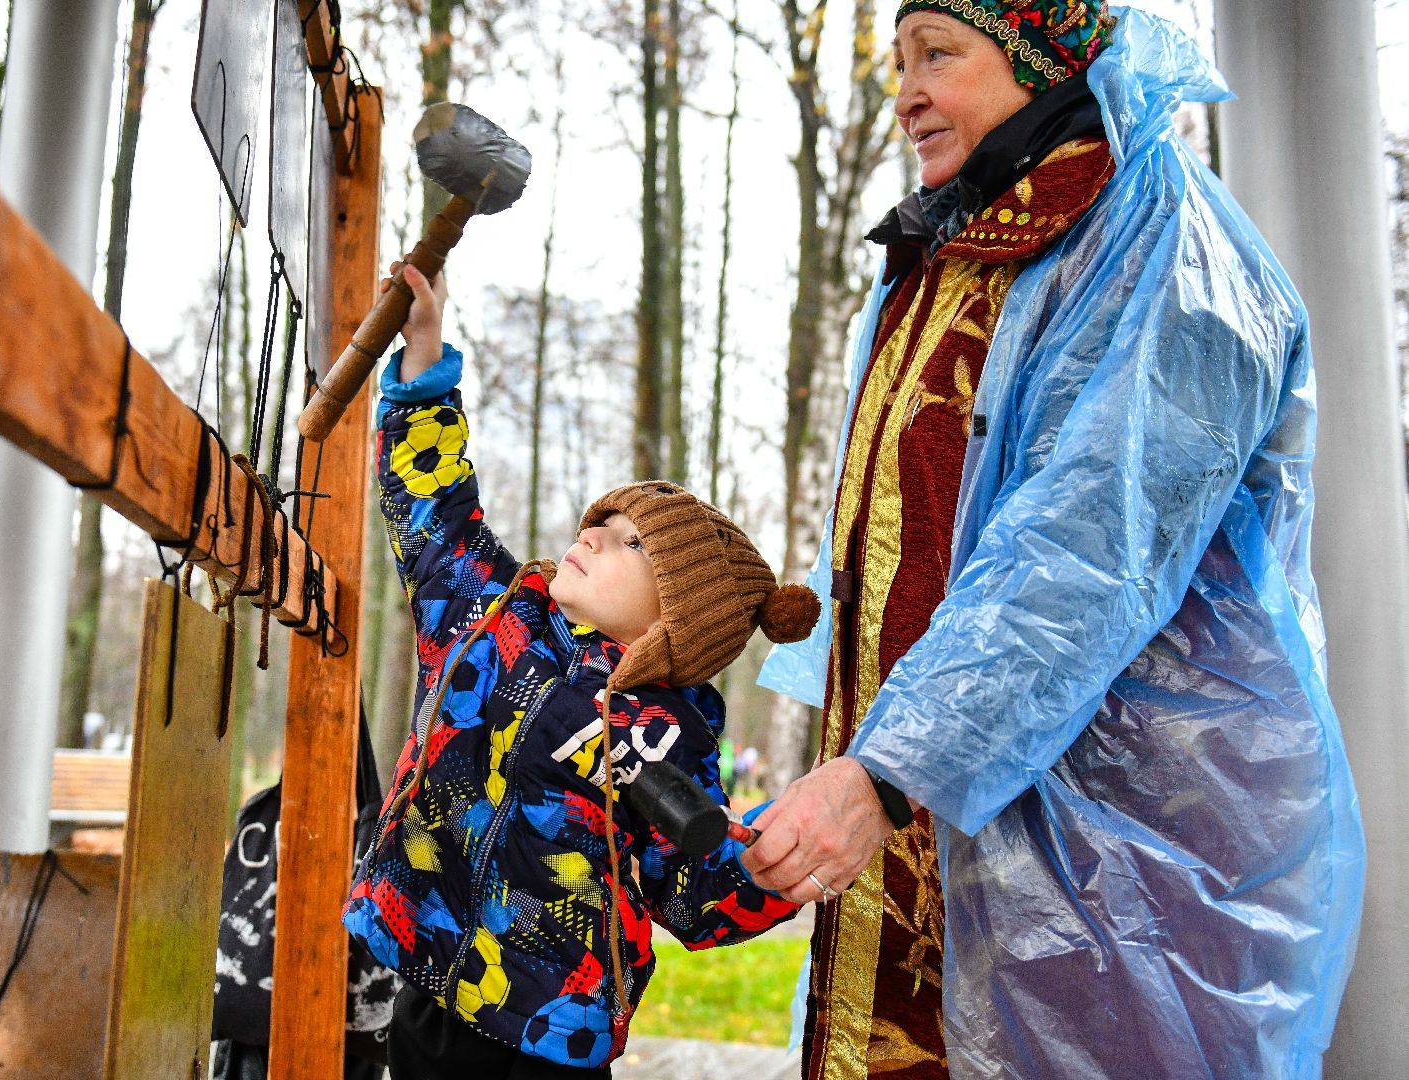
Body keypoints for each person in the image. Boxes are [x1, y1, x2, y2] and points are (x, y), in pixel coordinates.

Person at [744, 3, 1366, 1078]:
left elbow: (1084, 557)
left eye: (938, 54)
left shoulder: (1168, 248)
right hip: (926, 815)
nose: (906, 96)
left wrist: (889, 772)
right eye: (899, 61)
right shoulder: (950, 250)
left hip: (1119, 858)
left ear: (1039, 59)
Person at [344, 265, 819, 1079]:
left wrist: (768, 868)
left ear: (679, 615)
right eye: (599, 521)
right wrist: (423, 359)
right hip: (427, 965)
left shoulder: (666, 732)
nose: (591, 534)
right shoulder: (493, 616)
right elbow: (433, 510)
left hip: (552, 1028)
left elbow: (689, 887)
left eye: (631, 542)